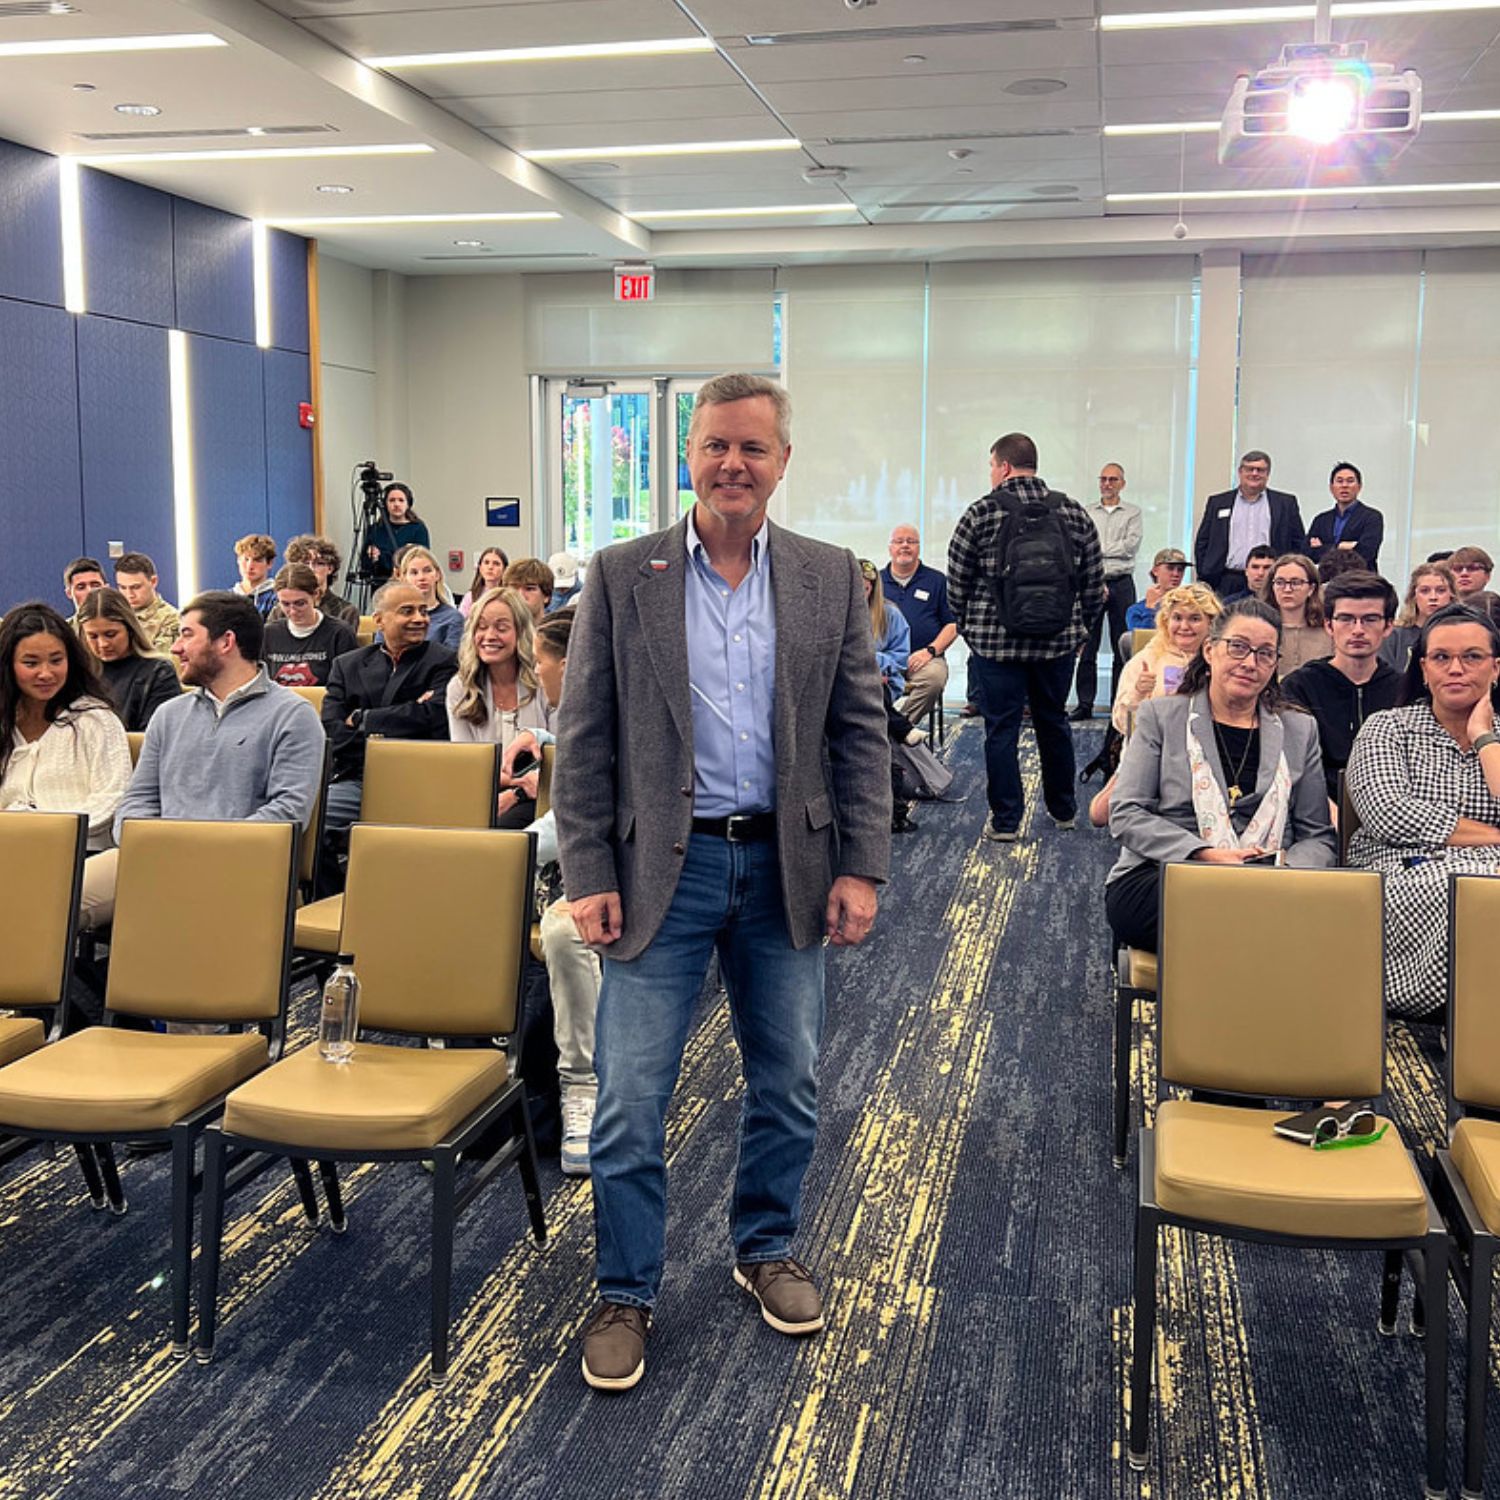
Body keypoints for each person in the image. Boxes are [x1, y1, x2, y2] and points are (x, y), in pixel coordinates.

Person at [553, 371, 889, 1392]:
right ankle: (625, 1289)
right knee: (629, 1097)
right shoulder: (624, 574)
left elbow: (859, 732)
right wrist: (587, 870)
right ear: (687, 456)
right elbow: (585, 738)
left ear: (782, 461)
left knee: (787, 1081)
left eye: (752, 447)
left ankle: (765, 1246)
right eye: (715, 446)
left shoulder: (829, 576)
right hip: (663, 868)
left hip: (789, 866)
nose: (732, 464)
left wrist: (861, 864)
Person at [80, 591, 325, 930]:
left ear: (226, 642)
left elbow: (286, 812)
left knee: (171, 910)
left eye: (187, 635)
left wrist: (199, 851)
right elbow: (137, 799)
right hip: (155, 856)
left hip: (238, 864)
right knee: (51, 898)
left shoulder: (293, 715)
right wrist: (150, 845)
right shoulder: (169, 714)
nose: (175, 648)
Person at [1105, 598, 1336, 954]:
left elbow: (1317, 835)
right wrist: (1204, 855)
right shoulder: (1160, 717)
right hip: (1169, 871)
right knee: (1255, 919)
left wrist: (1282, 869)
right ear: (1210, 650)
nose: (1250, 663)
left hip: (1272, 880)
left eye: (1264, 654)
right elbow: (1126, 814)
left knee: (1311, 912)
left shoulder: (1299, 729)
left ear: (1275, 664)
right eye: (1238, 647)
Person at [948, 431, 1105, 842]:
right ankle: (1064, 810)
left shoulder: (980, 513)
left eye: (991, 466)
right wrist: (1081, 629)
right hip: (1057, 643)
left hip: (995, 646)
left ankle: (1006, 822)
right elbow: (1093, 581)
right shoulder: (1073, 512)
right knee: (1053, 722)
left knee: (1001, 729)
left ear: (1003, 467)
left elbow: (957, 579)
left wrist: (968, 626)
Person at [1346, 605, 1500, 1018]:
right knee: (1471, 892)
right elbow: (1388, 814)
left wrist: (1484, 738)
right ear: (1424, 669)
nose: (1456, 669)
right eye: (1442, 657)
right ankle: (1458, 1016)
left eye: (1472, 657)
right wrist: (1494, 836)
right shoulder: (1387, 727)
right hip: (1403, 869)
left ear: (1496, 668)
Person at [503, 610, 601, 1176]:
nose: (534, 672)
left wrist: (494, 857)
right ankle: (471, 1074)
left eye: (539, 661)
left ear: (568, 664)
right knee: (470, 906)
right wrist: (539, 738)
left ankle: (581, 1087)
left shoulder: (613, 715)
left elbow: (571, 820)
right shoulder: (579, 714)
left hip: (627, 868)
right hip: (577, 861)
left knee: (565, 931)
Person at [320, 581, 458, 871]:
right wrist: (404, 718)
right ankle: (337, 893)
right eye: (407, 611)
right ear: (379, 620)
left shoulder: (444, 661)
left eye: (423, 611)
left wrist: (362, 719)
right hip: (357, 777)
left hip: (420, 778)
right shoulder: (347, 665)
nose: (420, 619)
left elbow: (432, 718)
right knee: (310, 824)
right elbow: (332, 730)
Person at [0, 602, 131, 853]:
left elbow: (112, 797)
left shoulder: (96, 720)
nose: (46, 673)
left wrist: (49, 831)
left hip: (82, 852)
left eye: (56, 661)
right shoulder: (5, 722)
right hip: (9, 849)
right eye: (31, 663)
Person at [1281, 571, 1403, 802]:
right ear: (1329, 625)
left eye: (1370, 619)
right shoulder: (1300, 687)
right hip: (1315, 808)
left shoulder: (1405, 690)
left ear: (1388, 626)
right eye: (1346, 619)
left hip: (1391, 807)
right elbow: (1293, 766)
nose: (1357, 630)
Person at [445, 587, 552, 827]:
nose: (489, 636)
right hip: (481, 791)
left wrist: (515, 794)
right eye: (481, 627)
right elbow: (467, 766)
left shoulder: (544, 681)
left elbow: (557, 757)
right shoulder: (460, 688)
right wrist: (514, 785)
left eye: (501, 628)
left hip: (541, 795)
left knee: (501, 827)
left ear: (521, 632)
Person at [1072, 462, 1142, 721]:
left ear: (1122, 483)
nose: (1107, 484)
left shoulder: (1133, 513)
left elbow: (1130, 547)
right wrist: (1099, 552)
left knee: (1121, 645)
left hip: (1121, 582)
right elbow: (1081, 546)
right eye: (1103, 479)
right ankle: (1084, 705)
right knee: (1087, 645)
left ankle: (1118, 704)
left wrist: (1097, 548)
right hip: (1092, 582)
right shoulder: (1087, 512)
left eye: (1113, 479)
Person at [1112, 583, 1222, 735]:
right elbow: (1121, 724)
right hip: (1155, 745)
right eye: (1177, 618)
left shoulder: (1224, 660)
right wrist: (1138, 693)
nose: (1184, 626)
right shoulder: (1146, 660)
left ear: (1211, 623)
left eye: (1194, 619)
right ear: (1166, 621)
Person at [1193, 450, 1306, 596]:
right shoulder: (1218, 502)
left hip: (1272, 580)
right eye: (1249, 469)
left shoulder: (1285, 503)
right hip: (1226, 579)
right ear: (1240, 472)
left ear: (1268, 474)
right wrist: (1205, 573)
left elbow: (1298, 542)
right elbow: (1203, 541)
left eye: (1260, 470)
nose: (1254, 473)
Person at [879, 523, 957, 725]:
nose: (905, 545)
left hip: (924, 658)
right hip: (884, 658)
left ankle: (896, 729)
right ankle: (884, 729)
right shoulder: (876, 582)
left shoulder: (937, 581)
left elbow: (953, 625)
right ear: (890, 548)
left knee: (934, 680)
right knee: (860, 682)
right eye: (899, 541)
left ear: (919, 548)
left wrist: (930, 651)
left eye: (911, 541)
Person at [77, 588, 181, 731]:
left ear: (130, 629)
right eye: (93, 636)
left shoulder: (159, 672)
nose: (103, 644)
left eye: (111, 634)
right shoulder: (78, 673)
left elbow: (157, 736)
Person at [261, 563, 358, 687]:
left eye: (300, 603)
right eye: (285, 604)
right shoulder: (269, 634)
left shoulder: (339, 634)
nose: (293, 611)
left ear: (316, 594)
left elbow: (349, 684)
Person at [1380, 560, 1457, 673]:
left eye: (1441, 591)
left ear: (1451, 595)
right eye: (1425, 591)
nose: (1433, 597)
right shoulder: (1394, 636)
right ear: (1414, 596)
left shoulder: (1461, 634)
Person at [1306, 462, 1383, 570]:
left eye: (1350, 481)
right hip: (1328, 577)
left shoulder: (1372, 517)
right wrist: (1340, 546)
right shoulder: (1321, 520)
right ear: (1331, 488)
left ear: (1359, 487)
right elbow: (1308, 552)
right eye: (1339, 481)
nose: (1344, 485)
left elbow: (1366, 553)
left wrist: (1324, 548)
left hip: (1360, 577)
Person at [274, 536, 359, 630]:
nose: (311, 569)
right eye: (305, 563)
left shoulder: (346, 611)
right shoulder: (280, 611)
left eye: (319, 563)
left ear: (330, 568)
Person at [1269, 554, 1332, 676]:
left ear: (1311, 589)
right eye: (1280, 582)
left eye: (1296, 583)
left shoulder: (1329, 632)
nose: (1287, 589)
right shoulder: (1262, 630)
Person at [398, 545, 464, 651]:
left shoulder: (453, 618)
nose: (421, 577)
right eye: (414, 573)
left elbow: (451, 657)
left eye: (427, 570)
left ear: (437, 574)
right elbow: (379, 654)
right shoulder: (392, 617)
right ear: (404, 578)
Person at [859, 559, 910, 695]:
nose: (860, 595)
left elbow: (900, 659)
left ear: (872, 589)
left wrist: (873, 661)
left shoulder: (890, 613)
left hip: (882, 680)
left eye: (865, 589)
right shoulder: (836, 613)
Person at [112, 552, 180, 653]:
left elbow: (162, 660)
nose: (129, 594)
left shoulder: (171, 620)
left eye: (136, 587)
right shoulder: (114, 615)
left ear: (153, 581)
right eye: (122, 587)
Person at [364, 483, 429, 585]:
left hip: (409, 585)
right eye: (392, 500)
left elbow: (421, 560)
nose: (396, 504)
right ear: (385, 504)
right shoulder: (375, 529)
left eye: (401, 500)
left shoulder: (418, 529)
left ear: (408, 504)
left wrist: (383, 557)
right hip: (381, 585)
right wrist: (373, 558)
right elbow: (364, 564)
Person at [1124, 549, 1189, 632]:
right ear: (1155, 571)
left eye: (1180, 569)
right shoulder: (1137, 610)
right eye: (1170, 568)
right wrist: (1150, 609)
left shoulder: (1188, 605)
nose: (1176, 574)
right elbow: (1143, 638)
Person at [1450, 546, 1500, 627]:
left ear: (1487, 576)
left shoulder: (1494, 607)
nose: (1464, 573)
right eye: (1457, 569)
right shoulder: (1439, 611)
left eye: (1472, 568)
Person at [231, 534, 278, 618]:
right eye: (246, 559)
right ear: (238, 560)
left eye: (257, 560)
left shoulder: (277, 598)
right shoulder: (227, 598)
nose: (250, 566)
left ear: (269, 563)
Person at [458, 547, 509, 618]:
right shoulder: (471, 596)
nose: (490, 567)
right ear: (480, 568)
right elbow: (460, 621)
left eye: (496, 564)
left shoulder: (510, 596)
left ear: (504, 569)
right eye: (486, 563)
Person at [503, 558, 554, 623]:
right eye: (514, 588)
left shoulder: (559, 628)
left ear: (546, 596)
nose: (520, 595)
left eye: (529, 589)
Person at [62, 557, 107, 630]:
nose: (89, 592)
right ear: (69, 593)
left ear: (106, 589)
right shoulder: (62, 631)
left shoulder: (122, 624)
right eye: (81, 587)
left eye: (95, 585)